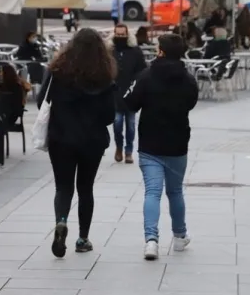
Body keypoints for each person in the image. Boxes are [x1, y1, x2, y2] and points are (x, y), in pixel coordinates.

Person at [37, 28, 116, 258]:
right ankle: (83, 238)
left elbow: (42, 101)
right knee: (85, 188)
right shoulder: (104, 77)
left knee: (63, 187)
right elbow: (109, 116)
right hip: (92, 140)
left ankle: (61, 221)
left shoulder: (57, 72)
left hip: (61, 138)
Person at [124, 33, 199, 260]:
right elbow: (191, 103)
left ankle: (151, 241)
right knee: (175, 191)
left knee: (152, 192)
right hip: (177, 143)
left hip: (150, 143)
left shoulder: (146, 76)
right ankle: (180, 236)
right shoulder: (188, 79)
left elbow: (130, 102)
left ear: (161, 51)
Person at [109, 25, 146, 164]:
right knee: (117, 124)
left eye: (122, 34)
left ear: (127, 34)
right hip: (115, 93)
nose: (120, 37)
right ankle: (119, 147)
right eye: (118, 34)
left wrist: (136, 85)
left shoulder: (135, 51)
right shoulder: (110, 51)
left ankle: (128, 151)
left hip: (131, 93)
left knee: (130, 125)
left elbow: (142, 70)